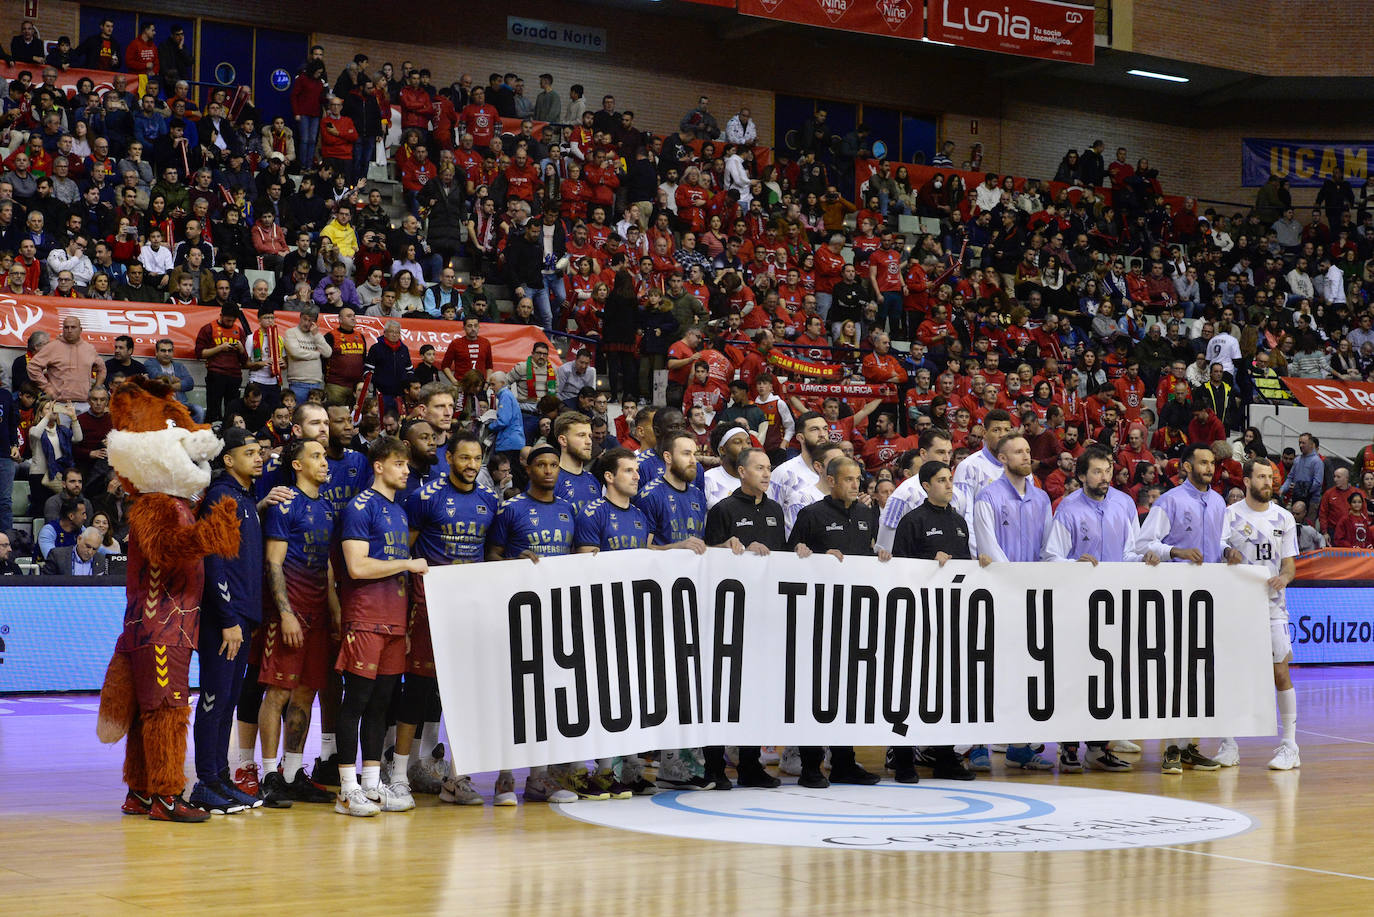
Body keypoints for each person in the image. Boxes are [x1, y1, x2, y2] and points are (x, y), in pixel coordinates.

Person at [575, 447, 707, 795]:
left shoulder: (638, 515)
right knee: (605, 695)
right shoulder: (593, 513)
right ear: (609, 477)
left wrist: (675, 548)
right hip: (602, 615)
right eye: (629, 471)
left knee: (631, 696)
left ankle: (630, 770)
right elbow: (585, 566)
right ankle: (605, 771)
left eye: (637, 470)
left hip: (636, 614)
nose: (637, 476)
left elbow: (648, 555)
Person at [401, 432, 504, 804]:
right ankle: (400, 772)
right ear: (449, 459)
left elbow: (493, 551)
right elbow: (406, 551)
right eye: (464, 458)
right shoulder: (424, 497)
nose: (471, 465)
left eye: (476, 459)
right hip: (427, 606)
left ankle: (456, 779)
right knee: (417, 687)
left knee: (464, 694)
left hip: (469, 608)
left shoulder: (490, 499)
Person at [1043, 446, 1157, 774]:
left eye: (1107, 470)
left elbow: (1131, 551)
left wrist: (1146, 556)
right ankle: (1068, 748)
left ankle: (1098, 747)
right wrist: (1072, 563)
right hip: (1077, 607)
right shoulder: (1068, 508)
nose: (1104, 476)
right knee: (1074, 678)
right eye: (1096, 471)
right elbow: (1051, 556)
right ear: (1081, 476)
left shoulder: (1123, 503)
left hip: (1115, 605)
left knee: (1106, 680)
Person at [333, 437, 429, 816]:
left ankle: (372, 785)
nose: (406, 471)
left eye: (407, 465)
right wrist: (407, 563)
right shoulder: (360, 507)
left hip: (393, 620)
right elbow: (357, 567)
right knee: (355, 700)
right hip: (365, 617)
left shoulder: (399, 510)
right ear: (378, 466)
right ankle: (346, 788)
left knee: (380, 704)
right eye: (399, 464)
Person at [786, 455, 888, 789]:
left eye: (858, 479)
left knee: (848, 691)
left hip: (855, 614)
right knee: (816, 691)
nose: (856, 485)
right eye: (848, 479)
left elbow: (866, 552)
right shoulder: (811, 514)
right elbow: (789, 558)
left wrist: (880, 556)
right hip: (817, 616)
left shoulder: (866, 513)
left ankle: (844, 761)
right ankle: (810, 766)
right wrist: (812, 556)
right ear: (831, 481)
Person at [888, 459, 988, 782]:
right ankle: (903, 758)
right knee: (909, 687)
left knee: (947, 689)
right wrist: (928, 563)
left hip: (950, 616)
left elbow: (962, 567)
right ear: (926, 485)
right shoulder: (912, 521)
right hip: (916, 616)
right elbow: (899, 568)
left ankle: (946, 756)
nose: (949, 484)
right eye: (942, 479)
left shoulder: (959, 522)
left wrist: (979, 564)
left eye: (950, 479)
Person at [189, 428, 271, 814]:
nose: (259, 457)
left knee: (228, 701)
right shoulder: (221, 496)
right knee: (214, 699)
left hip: (242, 617)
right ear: (228, 460)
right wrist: (227, 618)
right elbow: (212, 559)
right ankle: (206, 781)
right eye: (250, 452)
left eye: (260, 452)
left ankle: (220, 778)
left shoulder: (246, 498)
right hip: (226, 619)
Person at [256, 438, 340, 808]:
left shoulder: (328, 507)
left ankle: (292, 774)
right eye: (316, 457)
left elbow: (328, 566)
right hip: (289, 612)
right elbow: (273, 562)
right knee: (278, 692)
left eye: (324, 457)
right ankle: (270, 775)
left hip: (319, 613)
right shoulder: (284, 503)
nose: (325, 463)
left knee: (306, 693)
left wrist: (335, 611)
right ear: (297, 464)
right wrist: (285, 612)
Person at [1135, 442, 1227, 775]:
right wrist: (1177, 551)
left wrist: (1229, 550)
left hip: (1210, 598)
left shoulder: (1218, 502)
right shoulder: (1169, 501)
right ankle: (1170, 746)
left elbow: (1223, 540)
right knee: (1174, 675)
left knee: (1200, 675)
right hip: (1173, 598)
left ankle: (1189, 746)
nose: (1209, 468)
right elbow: (1141, 546)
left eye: (1212, 463)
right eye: (1202, 462)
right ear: (1186, 466)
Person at [969, 432, 1056, 771]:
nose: (1026, 456)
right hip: (997, 596)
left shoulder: (1042, 499)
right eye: (1018, 452)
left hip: (1032, 597)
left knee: (1025, 673)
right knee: (988, 671)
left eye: (1028, 451)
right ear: (1002, 458)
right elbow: (988, 549)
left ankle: (1020, 744)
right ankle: (977, 744)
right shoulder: (987, 497)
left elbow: (1049, 549)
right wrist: (1016, 583)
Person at [1215, 458, 1300, 771]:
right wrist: (1228, 552)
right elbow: (1218, 547)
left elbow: (1290, 563)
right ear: (1246, 481)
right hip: (1234, 607)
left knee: (1280, 672)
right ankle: (1228, 745)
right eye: (1262, 477)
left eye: (1271, 477)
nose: (1268, 482)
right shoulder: (1229, 515)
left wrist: (1285, 577)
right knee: (1228, 674)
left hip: (1272, 606)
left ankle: (1290, 746)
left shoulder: (1285, 518)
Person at [877, 429, 955, 551]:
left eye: (949, 453)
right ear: (923, 453)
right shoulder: (903, 495)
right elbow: (885, 547)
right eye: (941, 452)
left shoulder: (955, 493)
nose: (946, 458)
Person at [28, 315, 105, 410]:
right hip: (59, 404)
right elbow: (32, 366)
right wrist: (47, 388)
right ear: (62, 329)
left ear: (80, 330)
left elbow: (101, 369)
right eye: (66, 327)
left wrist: (97, 387)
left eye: (73, 327)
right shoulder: (52, 347)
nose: (69, 330)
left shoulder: (89, 348)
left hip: (85, 404)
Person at [195, 305, 248, 425]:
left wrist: (241, 349)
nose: (230, 323)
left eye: (233, 320)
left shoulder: (239, 331)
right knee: (213, 411)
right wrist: (220, 348)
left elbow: (245, 360)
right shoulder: (208, 329)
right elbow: (199, 354)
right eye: (228, 320)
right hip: (216, 374)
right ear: (221, 315)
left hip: (234, 375)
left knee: (232, 411)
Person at [41, 526, 107, 576]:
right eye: (88, 546)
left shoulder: (103, 561)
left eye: (94, 549)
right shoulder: (57, 556)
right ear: (79, 539)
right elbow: (45, 583)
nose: (90, 552)